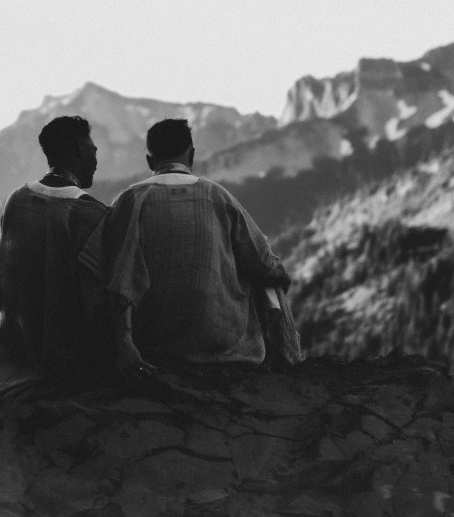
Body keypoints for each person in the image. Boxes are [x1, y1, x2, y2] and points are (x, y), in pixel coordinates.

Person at [94, 118, 302, 379]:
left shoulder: (130, 200)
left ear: (150, 161)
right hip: (222, 343)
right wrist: (282, 276)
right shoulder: (218, 195)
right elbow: (261, 262)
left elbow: (117, 278)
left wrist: (124, 344)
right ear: (191, 155)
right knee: (268, 280)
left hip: (153, 344)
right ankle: (283, 360)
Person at [0, 114, 110, 410]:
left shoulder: (17, 198)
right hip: (62, 350)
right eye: (93, 151)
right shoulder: (91, 214)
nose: (96, 159)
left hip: (13, 335)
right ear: (79, 151)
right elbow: (96, 296)